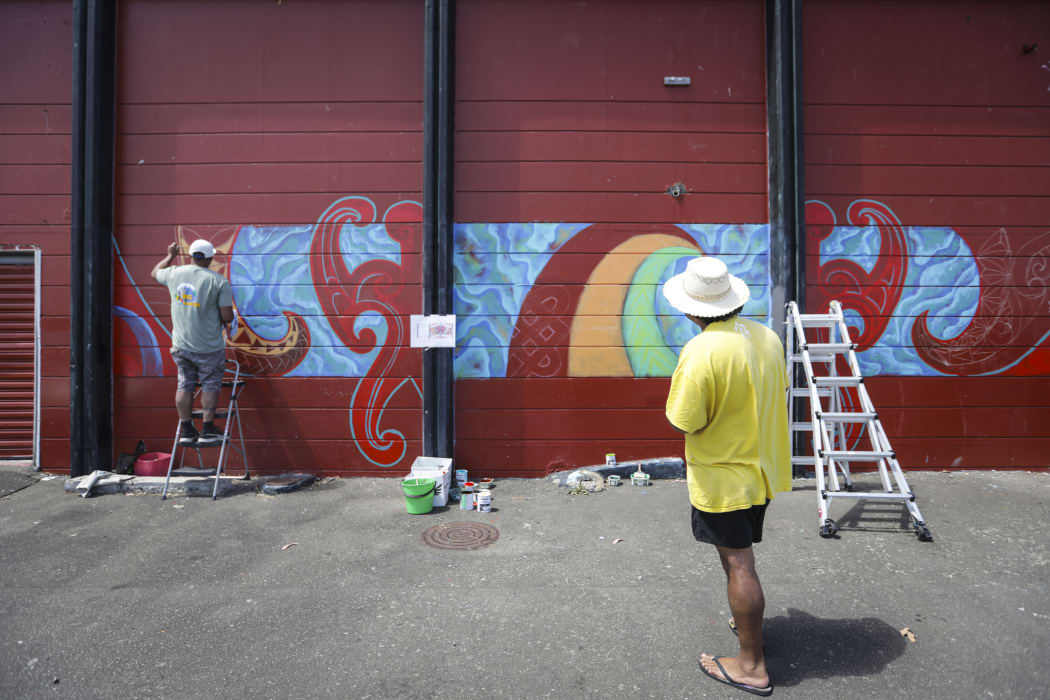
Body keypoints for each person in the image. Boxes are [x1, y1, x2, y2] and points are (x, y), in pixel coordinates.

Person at [662, 256, 790, 697]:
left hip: (723, 479)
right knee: (738, 557)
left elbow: (684, 420)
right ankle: (747, 624)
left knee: (740, 565)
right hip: (761, 473)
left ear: (691, 309)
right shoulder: (765, 336)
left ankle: (751, 665)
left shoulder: (701, 350)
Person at [152, 239, 234, 446]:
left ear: (192, 256)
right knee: (210, 385)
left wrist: (170, 255)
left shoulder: (174, 273)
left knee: (184, 385)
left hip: (181, 345)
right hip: (208, 347)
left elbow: (155, 272)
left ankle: (187, 430)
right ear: (210, 258)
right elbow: (226, 317)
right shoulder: (219, 281)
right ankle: (207, 430)